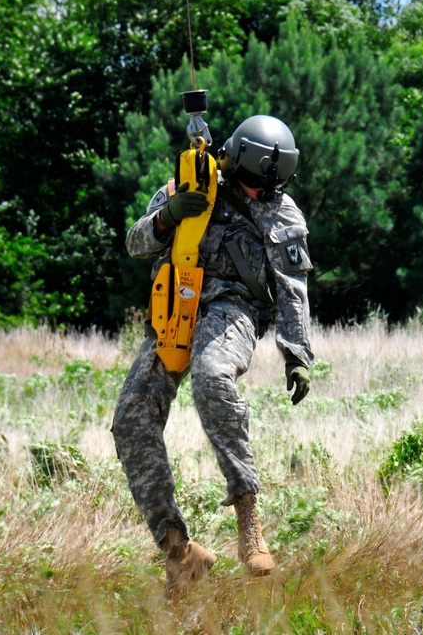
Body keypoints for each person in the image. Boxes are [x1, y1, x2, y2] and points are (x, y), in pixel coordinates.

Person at [111, 115, 314, 597]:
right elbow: (136, 242)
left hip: (232, 311)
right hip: (175, 307)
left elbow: (292, 290)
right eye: (253, 183)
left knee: (212, 376)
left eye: (272, 186)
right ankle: (179, 552)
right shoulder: (190, 181)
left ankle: (248, 520)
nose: (261, 193)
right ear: (233, 160)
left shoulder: (284, 215)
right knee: (130, 419)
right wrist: (170, 216)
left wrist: (297, 353)